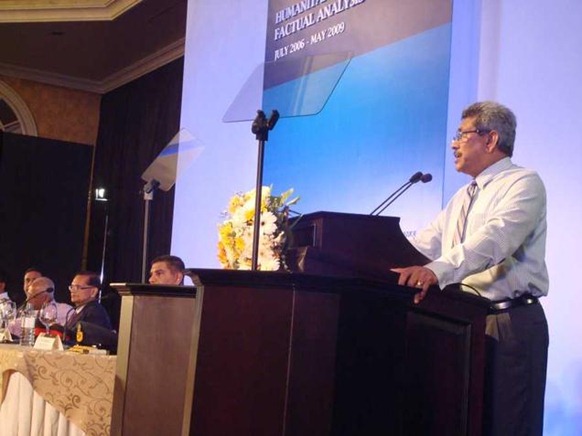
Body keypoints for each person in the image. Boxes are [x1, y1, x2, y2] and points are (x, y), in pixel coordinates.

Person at [392, 101, 548, 436]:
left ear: (490, 140)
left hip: (509, 324)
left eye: (462, 135)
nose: (453, 144)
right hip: (464, 323)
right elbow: (425, 243)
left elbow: (495, 240)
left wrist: (437, 271)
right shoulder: (464, 195)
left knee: (506, 425)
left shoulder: (523, 184)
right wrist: (367, 241)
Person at [8, 276, 73, 337]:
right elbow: (15, 324)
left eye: (32, 297)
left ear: (45, 298)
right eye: (28, 296)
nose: (28, 300)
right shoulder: (32, 312)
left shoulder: (65, 310)